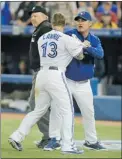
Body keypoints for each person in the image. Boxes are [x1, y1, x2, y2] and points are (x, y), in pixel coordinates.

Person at [8, 12, 87, 154]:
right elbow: (80, 56)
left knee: (38, 110)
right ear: (64, 24)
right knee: (67, 110)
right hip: (56, 75)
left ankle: (17, 136)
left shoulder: (42, 38)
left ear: (52, 24)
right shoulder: (65, 38)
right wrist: (81, 45)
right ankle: (68, 146)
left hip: (41, 75)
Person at [44, 11, 106, 151]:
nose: (80, 22)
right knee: (56, 109)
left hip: (84, 83)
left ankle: (91, 140)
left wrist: (86, 47)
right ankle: (54, 139)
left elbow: (100, 54)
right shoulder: (69, 34)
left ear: (90, 23)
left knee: (89, 113)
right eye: (78, 20)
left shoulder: (94, 39)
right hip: (67, 80)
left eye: (83, 20)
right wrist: (80, 46)